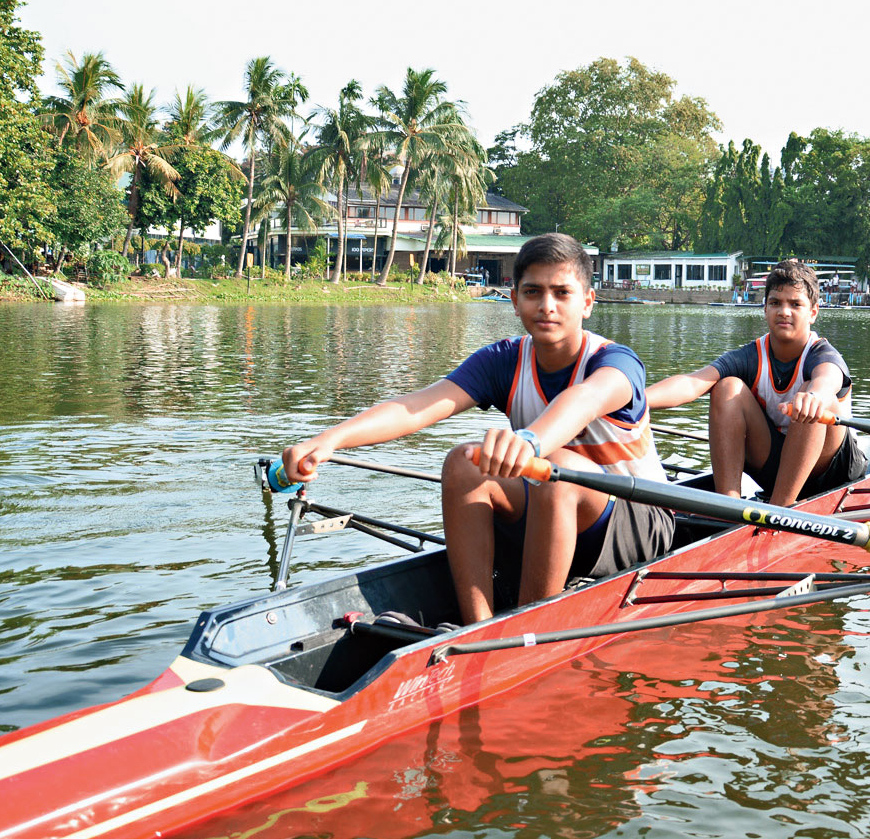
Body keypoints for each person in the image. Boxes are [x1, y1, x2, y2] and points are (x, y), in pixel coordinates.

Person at [279, 233, 673, 625]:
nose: (547, 306)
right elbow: (415, 407)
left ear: (587, 302)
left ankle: (526, 629)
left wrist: (530, 442)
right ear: (515, 300)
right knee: (466, 463)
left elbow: (582, 401)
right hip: (554, 509)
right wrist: (330, 439)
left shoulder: (616, 362)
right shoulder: (503, 361)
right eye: (533, 292)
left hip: (641, 523)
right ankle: (478, 626)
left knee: (556, 468)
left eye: (562, 293)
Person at [647, 258, 867, 506]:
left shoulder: (822, 354)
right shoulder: (751, 356)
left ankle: (780, 511)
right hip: (777, 469)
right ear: (765, 309)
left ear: (813, 312)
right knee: (726, 387)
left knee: (812, 395)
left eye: (795, 304)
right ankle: (728, 507)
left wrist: (814, 396)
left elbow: (828, 379)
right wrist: (636, 401)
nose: (784, 311)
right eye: (775, 303)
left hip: (831, 472)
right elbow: (692, 383)